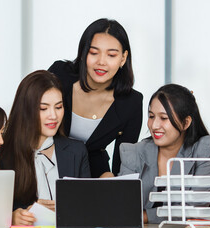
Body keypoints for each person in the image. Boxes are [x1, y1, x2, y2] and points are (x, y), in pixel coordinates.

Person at [48, 18, 142, 178]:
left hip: (94, 173)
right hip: (48, 163)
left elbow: (124, 163)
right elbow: (30, 119)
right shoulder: (59, 74)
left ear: (123, 58)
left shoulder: (132, 102)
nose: (101, 62)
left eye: (111, 55)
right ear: (83, 53)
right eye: (93, 53)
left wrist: (112, 180)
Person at [118, 84, 210, 224]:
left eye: (164, 118)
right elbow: (123, 207)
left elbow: (195, 207)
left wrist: (146, 216)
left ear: (186, 123)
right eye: (151, 116)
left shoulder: (205, 147)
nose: (154, 125)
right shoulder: (133, 152)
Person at [0, 70, 91, 225]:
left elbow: (88, 208)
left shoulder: (76, 151)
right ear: (25, 110)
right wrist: (12, 217)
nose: (53, 116)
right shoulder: (3, 154)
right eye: (43, 108)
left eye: (58, 107)